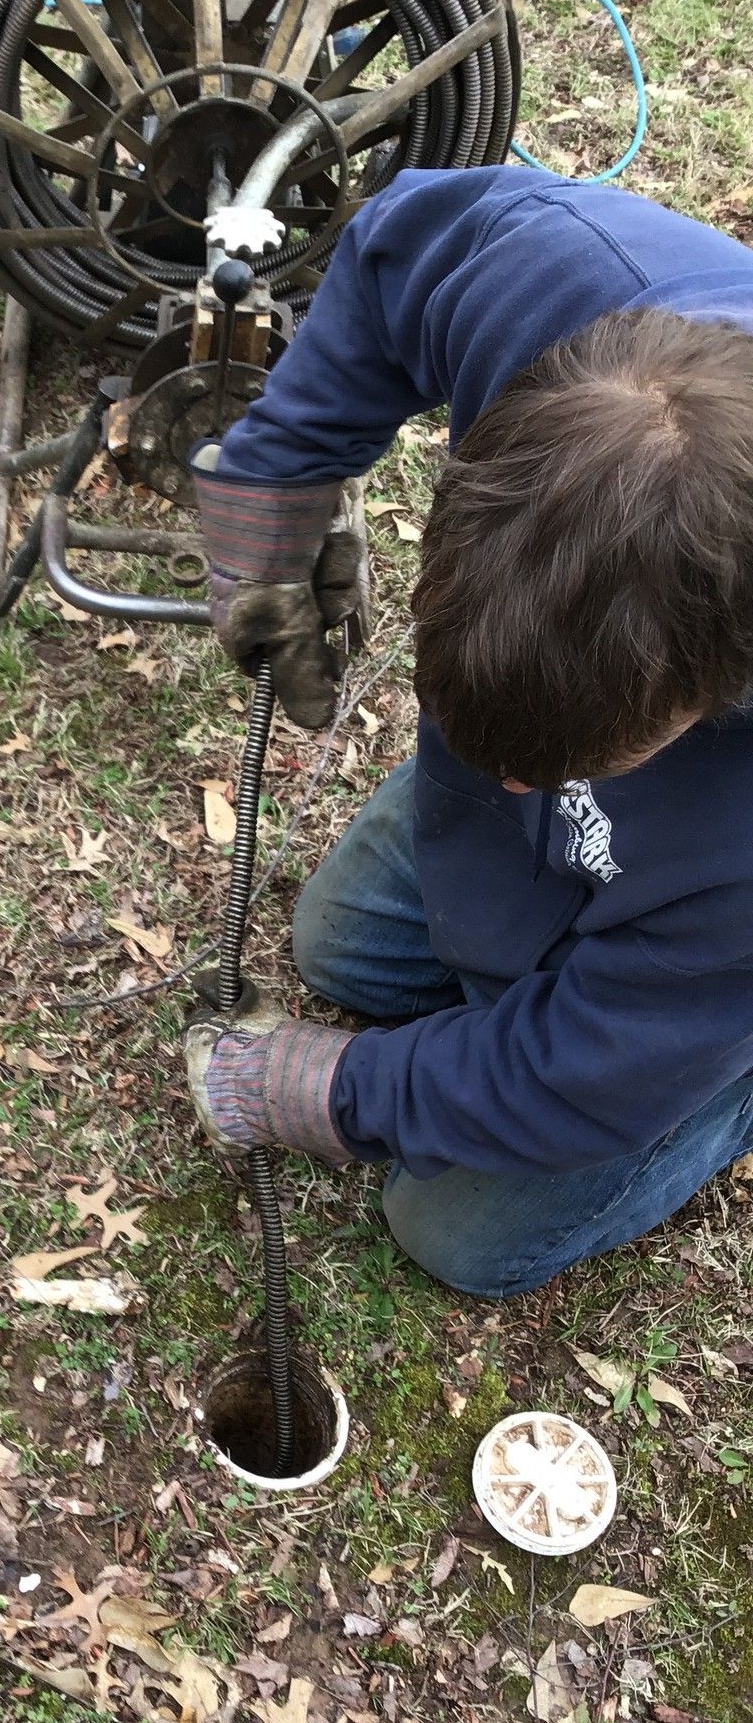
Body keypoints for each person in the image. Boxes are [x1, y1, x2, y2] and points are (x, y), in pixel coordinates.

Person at [183, 166, 753, 1300]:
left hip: (721, 939)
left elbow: (579, 1078)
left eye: (567, 758)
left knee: (456, 1232)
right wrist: (270, 504)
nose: (506, 774)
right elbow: (395, 254)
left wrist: (332, 1096)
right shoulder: (563, 290)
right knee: (336, 945)